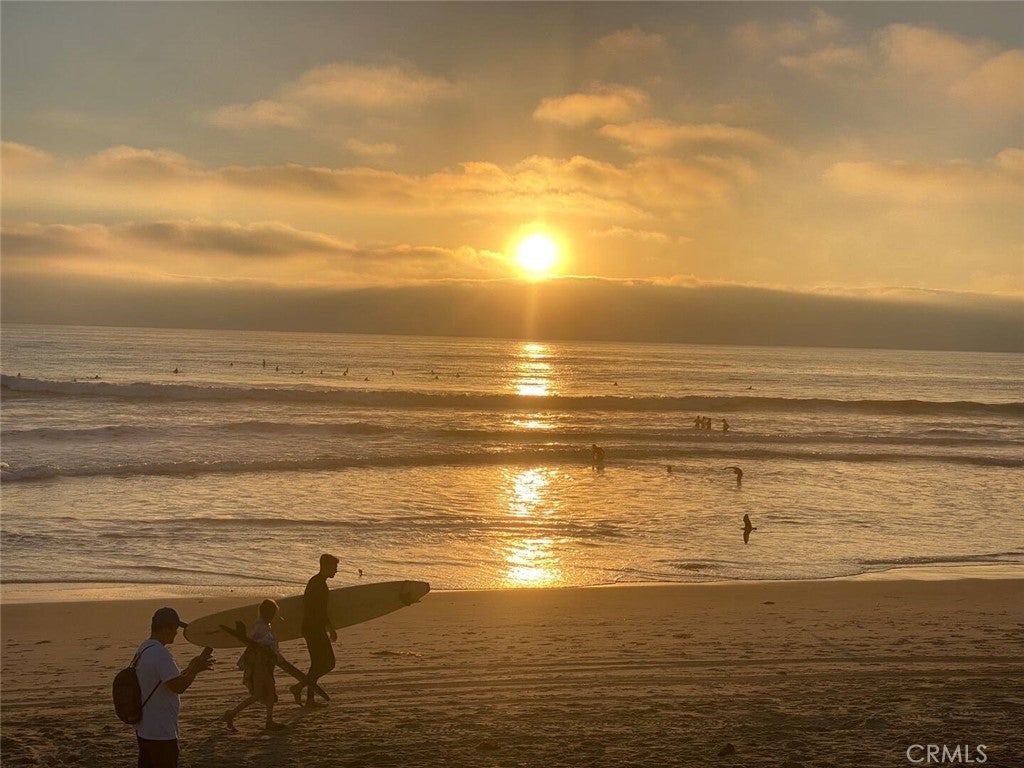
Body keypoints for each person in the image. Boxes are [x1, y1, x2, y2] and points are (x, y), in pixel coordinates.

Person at [134, 607, 214, 768]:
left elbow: (169, 680)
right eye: (174, 628)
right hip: (161, 732)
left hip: (144, 728)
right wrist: (195, 670)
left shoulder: (144, 648)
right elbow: (178, 686)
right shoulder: (160, 654)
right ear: (166, 628)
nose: (176, 633)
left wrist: (192, 666)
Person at [222, 600, 288, 732]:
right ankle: (231, 714)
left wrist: (277, 656)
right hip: (259, 664)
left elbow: (269, 645)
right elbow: (260, 644)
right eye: (272, 613)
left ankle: (269, 721)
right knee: (258, 694)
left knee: (270, 691)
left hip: (266, 663)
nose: (273, 615)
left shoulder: (265, 625)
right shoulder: (260, 626)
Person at [290, 554, 339, 708]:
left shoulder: (317, 582)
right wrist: (330, 627)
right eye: (334, 567)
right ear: (326, 566)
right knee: (329, 663)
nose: (336, 571)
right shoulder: (318, 584)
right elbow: (317, 610)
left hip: (312, 628)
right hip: (314, 629)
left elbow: (316, 609)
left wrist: (326, 627)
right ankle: (299, 687)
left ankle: (309, 699)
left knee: (317, 664)